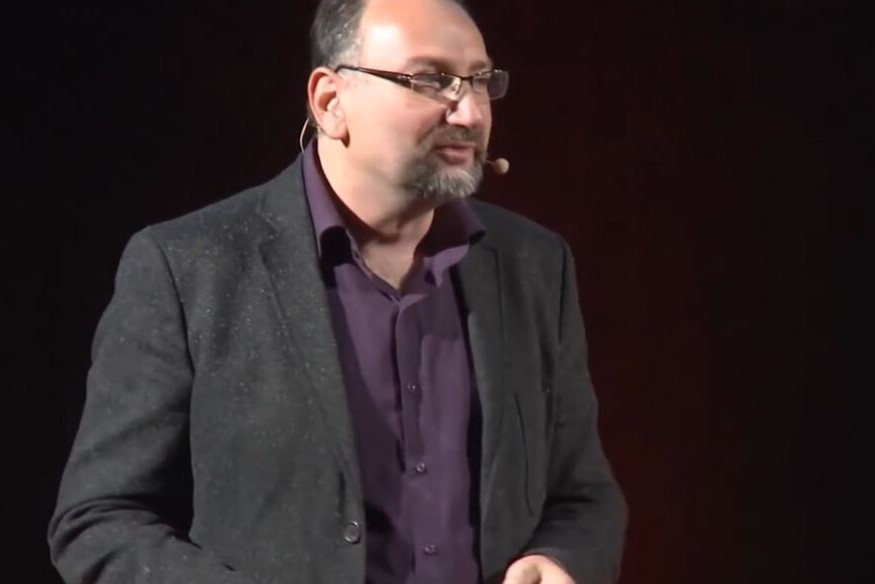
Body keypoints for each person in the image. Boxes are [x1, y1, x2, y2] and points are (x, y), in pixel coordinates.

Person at [48, 0, 627, 582]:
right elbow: (100, 521)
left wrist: (560, 560)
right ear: (330, 102)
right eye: (431, 80)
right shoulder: (188, 267)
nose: (471, 112)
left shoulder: (534, 264)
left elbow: (583, 497)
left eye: (480, 81)